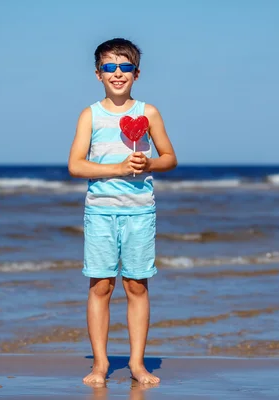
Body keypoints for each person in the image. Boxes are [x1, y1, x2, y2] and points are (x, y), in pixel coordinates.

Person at [68, 38, 178, 385]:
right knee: (100, 286)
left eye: (125, 67)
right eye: (110, 67)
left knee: (136, 286)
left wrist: (149, 162)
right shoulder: (90, 115)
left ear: (137, 73)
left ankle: (136, 364)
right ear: (98, 74)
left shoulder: (148, 113)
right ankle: (100, 364)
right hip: (100, 212)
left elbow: (170, 158)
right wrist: (117, 168)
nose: (118, 73)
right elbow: (76, 165)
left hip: (140, 212)